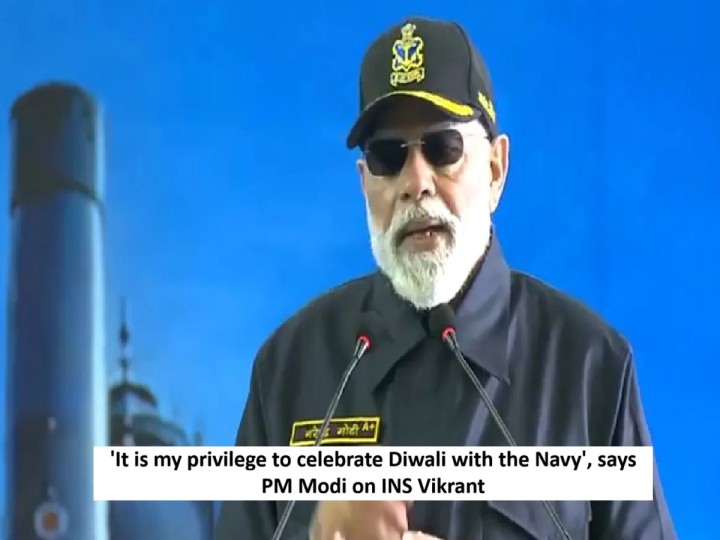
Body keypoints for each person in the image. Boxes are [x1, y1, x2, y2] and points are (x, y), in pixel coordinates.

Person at [214, 16, 677, 540]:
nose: (416, 183)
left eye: (443, 149)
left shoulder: (589, 364)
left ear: (496, 169)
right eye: (388, 157)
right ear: (365, 183)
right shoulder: (290, 365)